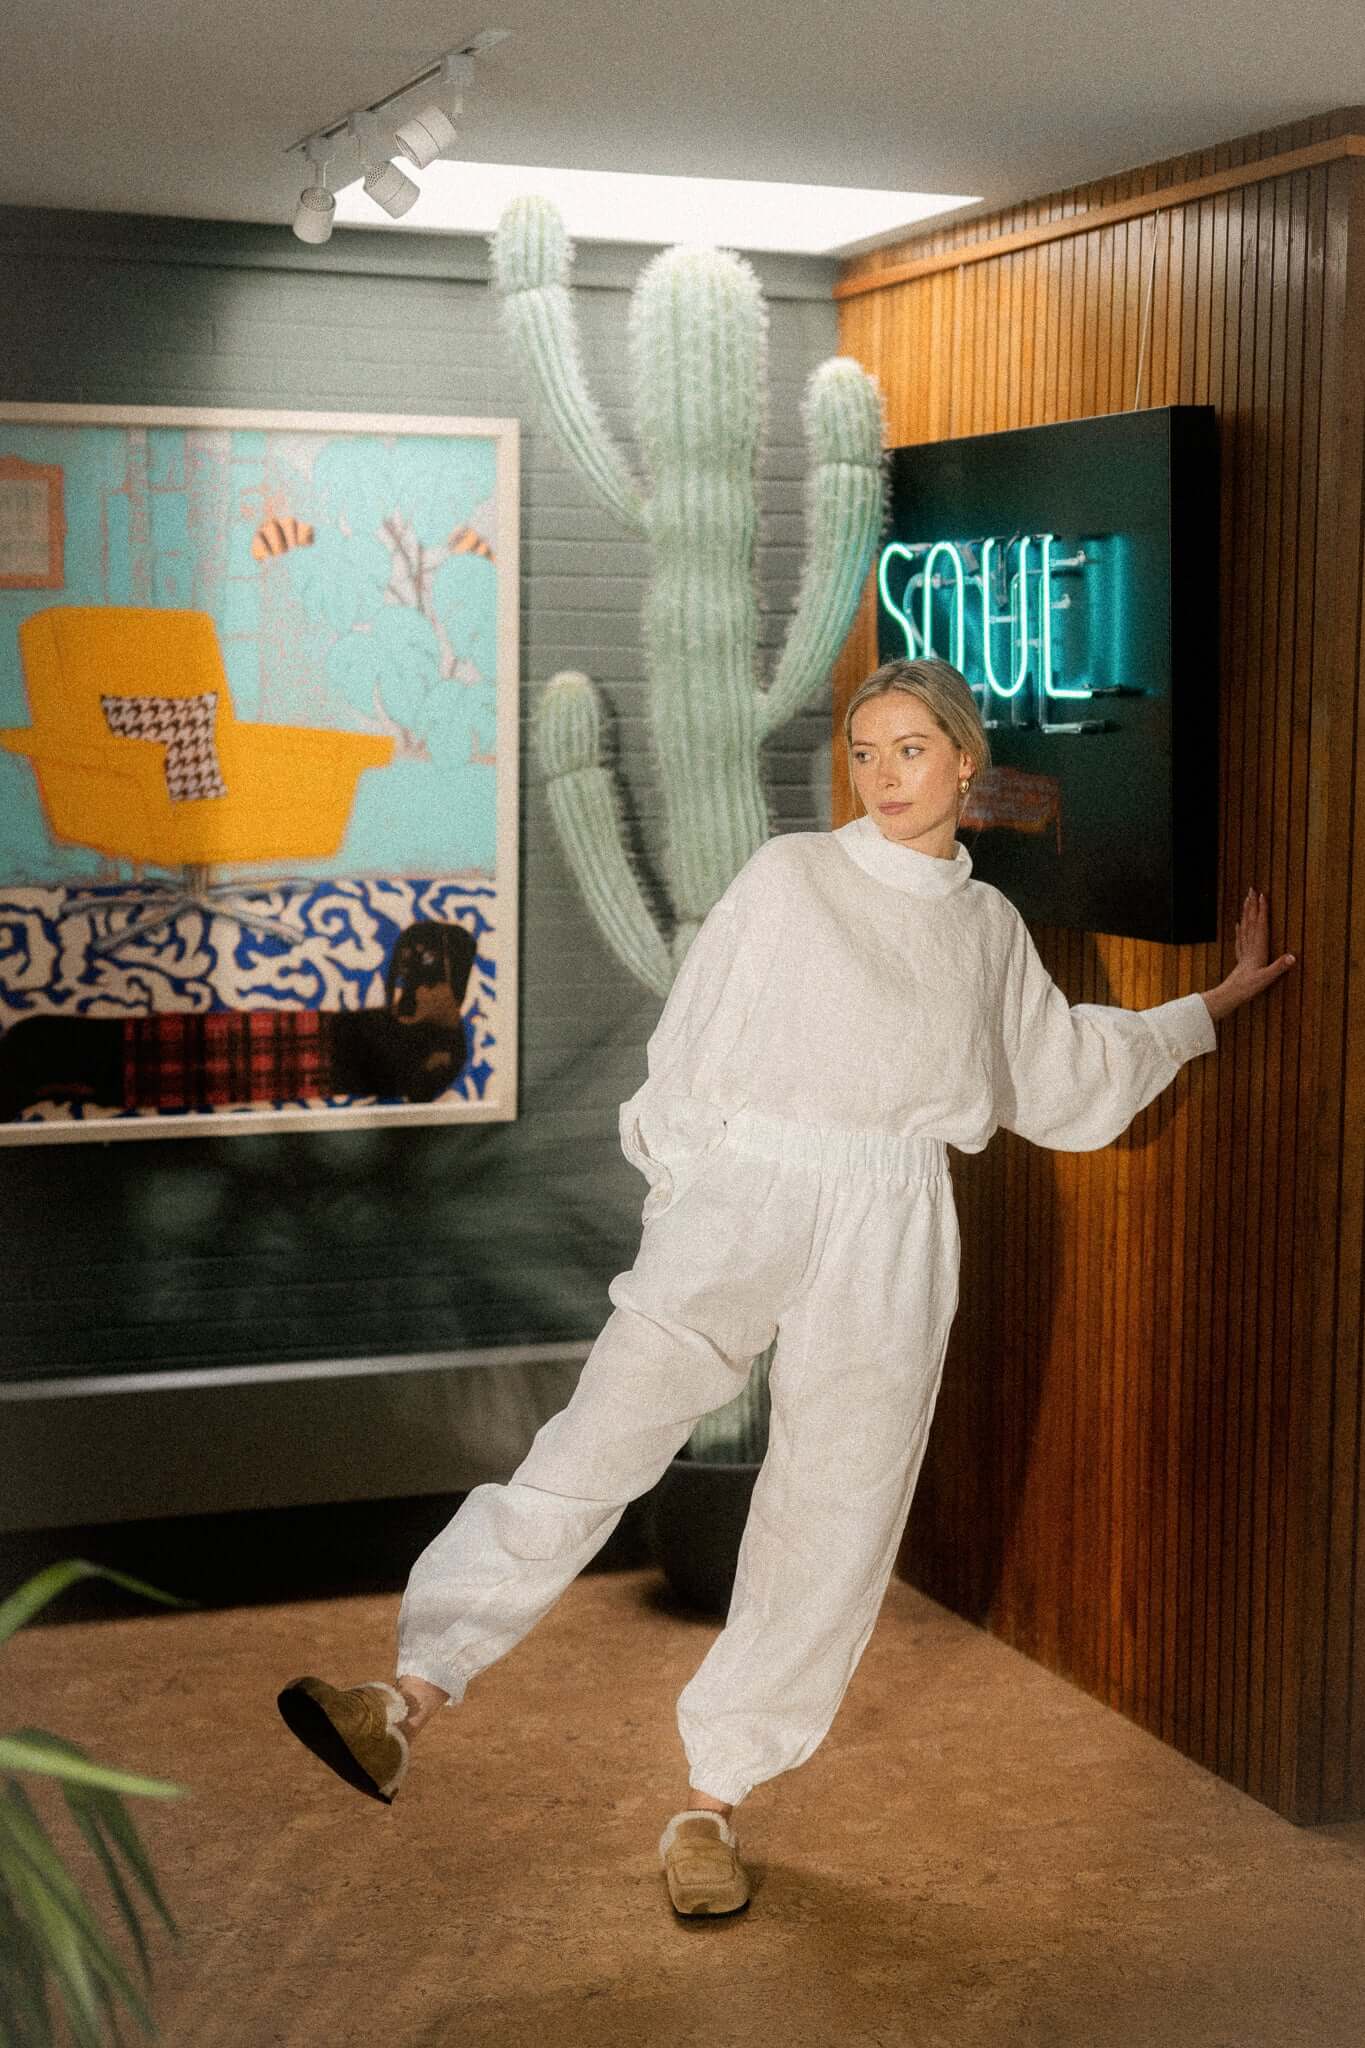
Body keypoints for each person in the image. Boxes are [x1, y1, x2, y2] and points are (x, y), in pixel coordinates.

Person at [278, 656, 1296, 1917]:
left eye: (910, 749)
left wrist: (1211, 1005)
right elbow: (690, 1047)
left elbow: (1067, 1073)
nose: (883, 776)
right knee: (603, 1432)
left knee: (836, 1509)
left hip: (896, 1219)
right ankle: (404, 1696)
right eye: (864, 753)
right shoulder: (789, 876)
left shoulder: (987, 929)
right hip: (747, 1187)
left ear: (964, 761)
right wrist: (686, 1202)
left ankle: (712, 1803)